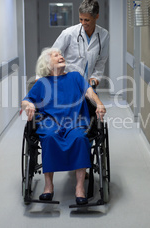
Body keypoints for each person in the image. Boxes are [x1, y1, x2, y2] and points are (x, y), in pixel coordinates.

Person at [21, 47, 106, 205]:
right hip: (51, 122)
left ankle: (79, 187)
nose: (61, 57)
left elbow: (89, 92)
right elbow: (26, 100)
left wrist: (99, 104)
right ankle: (48, 186)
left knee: (80, 138)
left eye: (61, 55)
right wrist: (29, 106)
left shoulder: (75, 77)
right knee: (49, 137)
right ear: (47, 64)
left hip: (75, 120)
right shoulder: (42, 83)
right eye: (56, 55)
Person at [52, 0, 109, 86]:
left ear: (96, 16)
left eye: (87, 20)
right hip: (68, 82)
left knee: (91, 99)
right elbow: (52, 55)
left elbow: (101, 60)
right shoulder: (69, 33)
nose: (83, 23)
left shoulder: (104, 35)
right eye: (81, 19)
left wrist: (96, 77)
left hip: (88, 84)